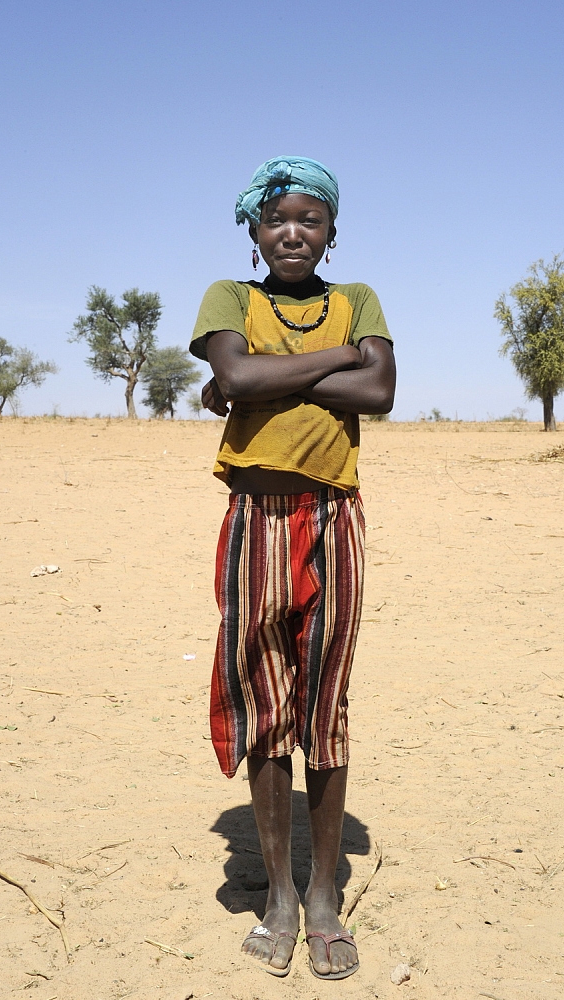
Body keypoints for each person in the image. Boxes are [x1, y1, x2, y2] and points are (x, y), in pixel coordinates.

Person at [189, 156, 395, 980]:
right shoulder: (230, 299)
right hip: (255, 519)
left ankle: (323, 899)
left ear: (333, 233)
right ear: (253, 232)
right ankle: (277, 891)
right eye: (277, 219)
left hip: (334, 518)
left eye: (310, 220)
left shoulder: (359, 301)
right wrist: (331, 363)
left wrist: (258, 389)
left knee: (326, 700)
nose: (292, 232)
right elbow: (233, 370)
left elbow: (379, 392)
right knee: (265, 700)